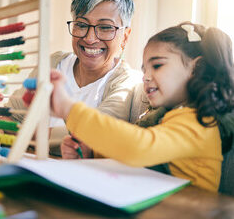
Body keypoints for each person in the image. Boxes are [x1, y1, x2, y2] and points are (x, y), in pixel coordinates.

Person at [0, 0, 147, 152]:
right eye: (81, 24)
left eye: (106, 27)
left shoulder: (126, 82)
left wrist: (18, 133)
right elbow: (10, 116)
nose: (90, 38)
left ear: (125, 36)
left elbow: (93, 136)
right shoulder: (54, 64)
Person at [51, 21, 234, 192]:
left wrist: (70, 109)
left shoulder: (199, 122)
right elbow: (140, 159)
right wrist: (91, 152)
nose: (145, 76)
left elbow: (138, 147)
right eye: (144, 69)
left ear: (196, 68)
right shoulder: (167, 117)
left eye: (157, 65)